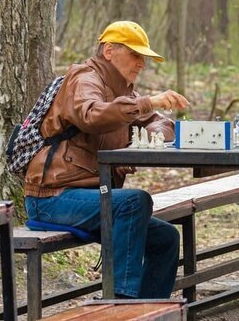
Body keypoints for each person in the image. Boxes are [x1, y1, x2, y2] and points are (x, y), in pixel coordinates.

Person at [24, 20, 189, 299]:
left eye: (143, 57)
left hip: (93, 197)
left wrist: (136, 144)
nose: (141, 64)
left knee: (165, 238)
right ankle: (119, 302)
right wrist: (148, 102)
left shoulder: (125, 93)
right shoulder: (84, 78)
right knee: (134, 201)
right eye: (135, 55)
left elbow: (163, 125)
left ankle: (147, 311)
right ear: (109, 50)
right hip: (53, 198)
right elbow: (92, 115)